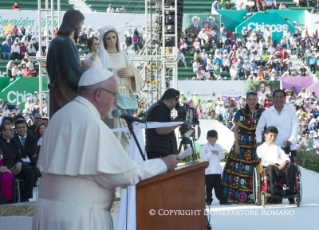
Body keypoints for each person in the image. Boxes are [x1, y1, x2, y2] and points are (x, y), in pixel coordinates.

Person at [32, 67, 180, 230]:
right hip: (78, 218)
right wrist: (164, 163)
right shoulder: (91, 124)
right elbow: (124, 175)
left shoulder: (59, 116)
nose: (116, 101)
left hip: (47, 213)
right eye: (114, 95)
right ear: (99, 94)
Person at [99, 26, 141, 151]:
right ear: (104, 41)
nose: (112, 41)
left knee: (126, 131)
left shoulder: (123, 56)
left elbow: (135, 72)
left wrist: (132, 74)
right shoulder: (102, 57)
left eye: (114, 37)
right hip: (109, 98)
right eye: (108, 38)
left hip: (125, 97)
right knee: (111, 129)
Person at [221, 92, 264, 204]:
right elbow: (236, 130)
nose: (252, 101)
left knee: (257, 167)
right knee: (239, 169)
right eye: (250, 99)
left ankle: (258, 194)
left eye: (254, 99)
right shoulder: (240, 113)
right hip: (242, 141)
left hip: (257, 142)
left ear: (257, 100)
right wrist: (236, 144)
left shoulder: (262, 113)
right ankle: (238, 196)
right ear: (246, 100)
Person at [47, 10, 85, 117]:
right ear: (76, 24)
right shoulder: (66, 43)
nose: (81, 28)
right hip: (66, 97)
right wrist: (90, 73)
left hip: (56, 96)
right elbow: (73, 74)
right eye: (81, 24)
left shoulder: (55, 41)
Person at [257, 126, 297, 203]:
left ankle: (291, 190)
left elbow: (285, 157)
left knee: (292, 165)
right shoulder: (260, 148)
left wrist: (284, 162)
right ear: (265, 135)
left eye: (275, 136)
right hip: (270, 168)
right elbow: (261, 160)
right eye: (271, 135)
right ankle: (273, 190)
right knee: (270, 167)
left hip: (281, 168)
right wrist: (269, 163)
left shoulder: (277, 148)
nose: (273, 138)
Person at [256, 89, 299, 162]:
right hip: (272, 147)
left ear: (285, 98)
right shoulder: (266, 112)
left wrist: (290, 140)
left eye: (281, 97)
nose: (279, 99)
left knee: (289, 170)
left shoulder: (291, 111)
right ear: (272, 98)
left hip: (288, 146)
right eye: (276, 97)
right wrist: (259, 141)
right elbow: (259, 128)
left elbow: (295, 128)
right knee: (272, 170)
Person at [145, 88, 186, 159]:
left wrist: (178, 120)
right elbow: (160, 130)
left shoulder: (161, 108)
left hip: (160, 152)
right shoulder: (159, 109)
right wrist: (178, 123)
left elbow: (166, 126)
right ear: (173, 100)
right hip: (158, 153)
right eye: (177, 102)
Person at [0, 123, 34, 202]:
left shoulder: (15, 142)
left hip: (16, 163)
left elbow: (18, 157)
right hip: (5, 165)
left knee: (30, 171)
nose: (13, 132)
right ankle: (12, 200)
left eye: (13, 130)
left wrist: (19, 164)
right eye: (10, 130)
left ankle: (25, 198)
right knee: (10, 176)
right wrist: (9, 168)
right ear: (3, 132)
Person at [200, 130, 232, 205]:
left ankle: (222, 200)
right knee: (209, 187)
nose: (212, 142)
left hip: (217, 171)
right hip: (209, 171)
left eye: (214, 140)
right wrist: (210, 153)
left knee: (218, 186)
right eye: (210, 140)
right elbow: (202, 157)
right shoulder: (205, 147)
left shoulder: (218, 146)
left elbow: (222, 157)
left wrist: (218, 153)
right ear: (207, 138)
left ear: (216, 139)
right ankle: (208, 199)